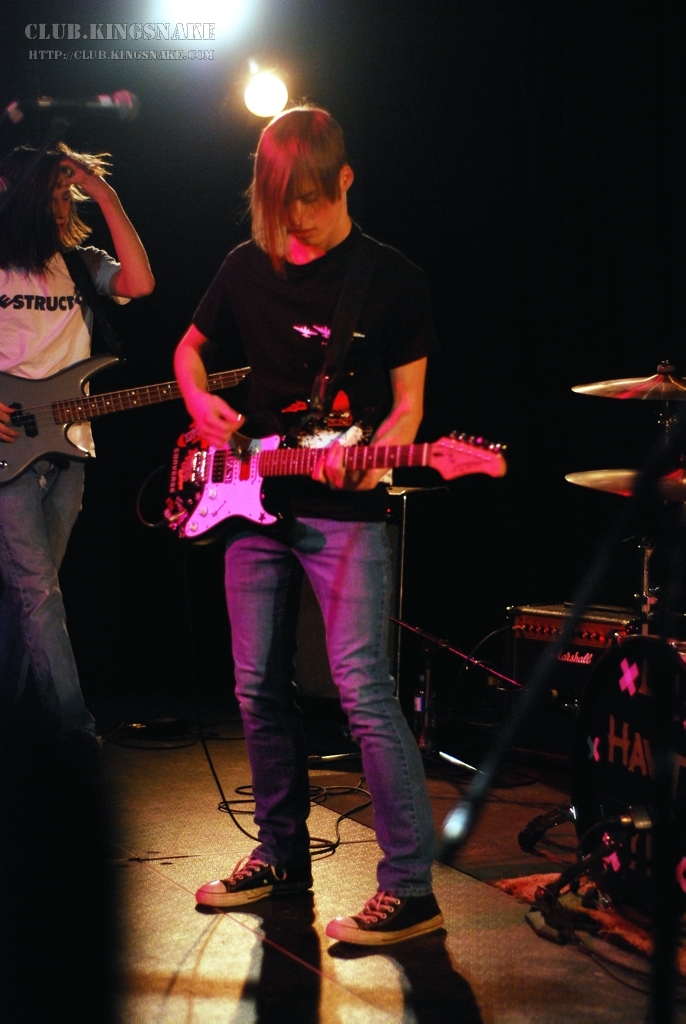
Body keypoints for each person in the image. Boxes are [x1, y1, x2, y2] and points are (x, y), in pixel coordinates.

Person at [174, 106, 443, 945]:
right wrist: (201, 404)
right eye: (283, 204)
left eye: (314, 202)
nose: (299, 221)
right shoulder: (244, 265)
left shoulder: (391, 277)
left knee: (362, 689)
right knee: (256, 686)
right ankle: (282, 857)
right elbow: (187, 350)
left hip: (346, 508)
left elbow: (408, 410)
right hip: (251, 499)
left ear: (346, 180)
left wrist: (370, 456)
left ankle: (410, 888)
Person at [0, 143, 155, 737]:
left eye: (66, 194)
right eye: (50, 194)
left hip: (70, 449)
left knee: (29, 595)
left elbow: (141, 282)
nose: (61, 206)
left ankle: (13, 727)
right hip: (10, 450)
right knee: (38, 591)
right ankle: (74, 730)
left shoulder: (82, 265)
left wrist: (103, 191)